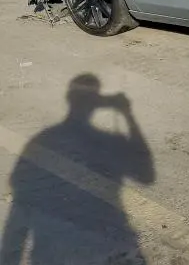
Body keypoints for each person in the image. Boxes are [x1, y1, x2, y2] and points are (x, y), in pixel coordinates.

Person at [0, 74, 155, 264]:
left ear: (68, 100)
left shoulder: (42, 140)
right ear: (97, 103)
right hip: (106, 250)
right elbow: (146, 175)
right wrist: (127, 114)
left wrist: (9, 258)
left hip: (52, 253)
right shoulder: (110, 142)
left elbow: (20, 206)